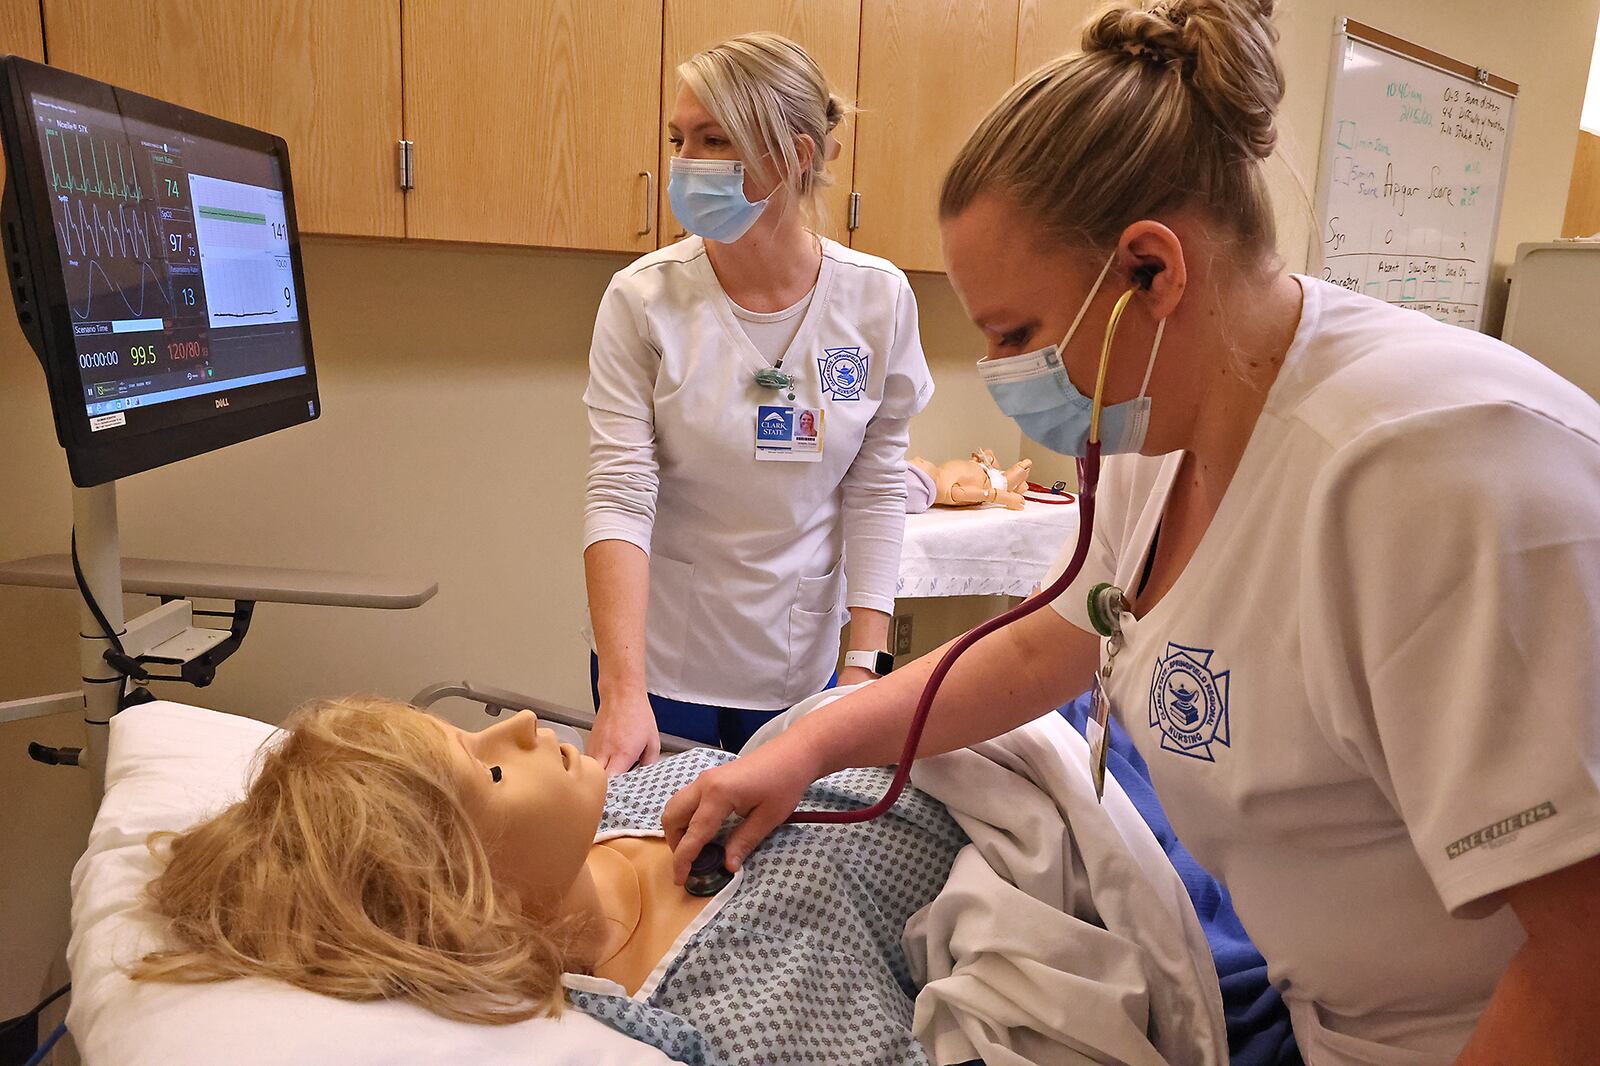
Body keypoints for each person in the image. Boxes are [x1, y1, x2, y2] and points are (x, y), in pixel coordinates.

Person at [662, 2, 1600, 1063]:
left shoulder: (1430, 475)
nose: (1007, 373)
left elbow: (1584, 965)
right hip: (1312, 1007)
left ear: (1151, 270)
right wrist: (809, 741)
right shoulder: (1166, 435)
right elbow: (1042, 644)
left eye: (1016, 334)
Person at [131, 697, 964, 1063]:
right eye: (488, 770)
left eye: (473, 730)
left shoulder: (626, 805)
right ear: (466, 894)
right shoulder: (736, 1010)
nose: (522, 725)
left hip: (958, 743)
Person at [583, 32, 932, 772]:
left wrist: (861, 668)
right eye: (679, 138)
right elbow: (619, 493)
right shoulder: (644, 299)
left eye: (714, 140)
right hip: (657, 669)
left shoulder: (876, 299)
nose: (685, 162)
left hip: (800, 671)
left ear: (795, 156)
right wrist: (622, 687)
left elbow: (875, 491)